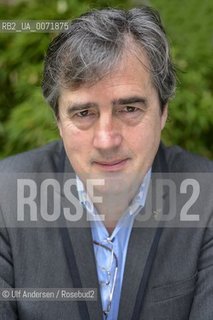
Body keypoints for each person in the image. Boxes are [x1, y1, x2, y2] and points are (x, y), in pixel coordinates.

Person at [0, 6, 213, 320]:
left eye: (129, 108)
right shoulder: (6, 196)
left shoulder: (207, 198)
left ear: (164, 110)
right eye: (83, 113)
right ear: (58, 121)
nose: (106, 140)